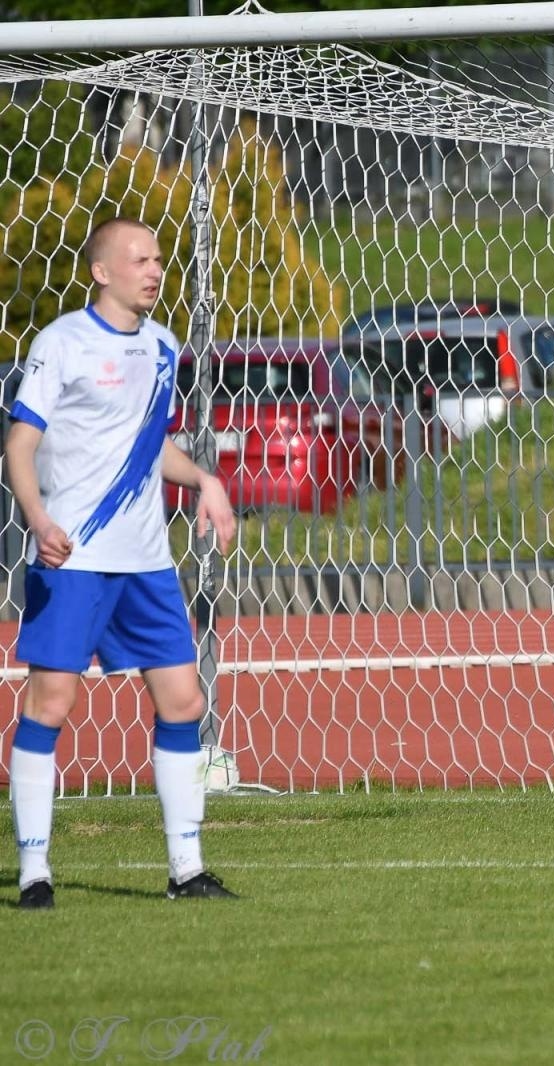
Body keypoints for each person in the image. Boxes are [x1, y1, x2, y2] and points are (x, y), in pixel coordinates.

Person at [6, 217, 239, 910]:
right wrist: (38, 519)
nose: (154, 270)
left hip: (145, 562)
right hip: (73, 557)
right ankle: (34, 873)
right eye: (139, 259)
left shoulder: (165, 348)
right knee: (50, 704)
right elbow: (20, 444)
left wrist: (204, 480)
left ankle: (186, 869)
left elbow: (149, 447)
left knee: (184, 700)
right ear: (102, 271)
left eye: (159, 259)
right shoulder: (62, 344)